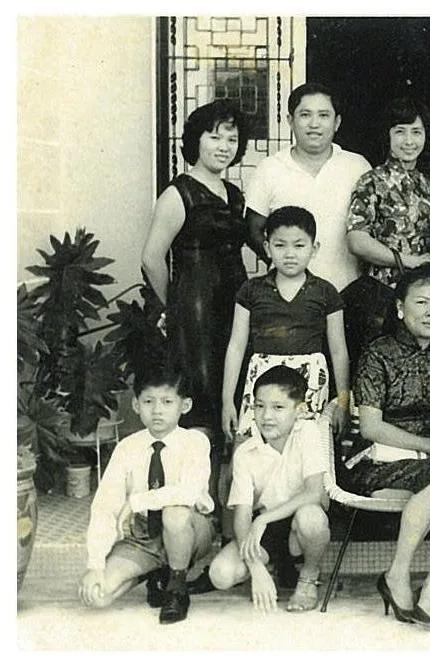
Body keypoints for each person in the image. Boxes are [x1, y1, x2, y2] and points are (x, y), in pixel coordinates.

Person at [339, 263, 430, 631]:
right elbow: (370, 427)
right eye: (422, 302)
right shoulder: (378, 353)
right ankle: (398, 575)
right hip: (378, 461)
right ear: (400, 308)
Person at [140, 99, 250, 511]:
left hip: (234, 305)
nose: (223, 145)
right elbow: (151, 257)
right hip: (198, 310)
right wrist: (176, 307)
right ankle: (194, 510)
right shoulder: (179, 192)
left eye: (232, 139)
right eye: (214, 136)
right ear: (196, 141)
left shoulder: (235, 194)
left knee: (232, 401)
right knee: (203, 403)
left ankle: (227, 516)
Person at [78, 367, 214, 625]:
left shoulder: (195, 441)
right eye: (148, 401)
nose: (157, 410)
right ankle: (154, 571)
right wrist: (95, 565)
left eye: (167, 402)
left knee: (175, 512)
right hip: (143, 536)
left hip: (189, 530)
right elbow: (105, 507)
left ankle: (176, 587)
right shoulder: (126, 447)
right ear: (136, 405)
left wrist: (137, 501)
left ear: (184, 405)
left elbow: (188, 492)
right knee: (97, 596)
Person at [207, 365, 331, 613]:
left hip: (299, 523)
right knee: (221, 575)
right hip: (266, 529)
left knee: (311, 517)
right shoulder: (245, 452)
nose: (267, 416)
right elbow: (242, 517)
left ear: (300, 409)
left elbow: (314, 492)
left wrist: (263, 519)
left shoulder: (308, 432)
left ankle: (308, 577)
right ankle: (271, 568)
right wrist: (255, 569)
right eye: (260, 406)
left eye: (278, 407)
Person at [220, 206, 349, 442]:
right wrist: (227, 400)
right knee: (253, 451)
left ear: (314, 248)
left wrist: (342, 402)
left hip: (310, 384)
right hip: (262, 383)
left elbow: (339, 350)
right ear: (267, 247)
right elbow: (236, 347)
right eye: (280, 245)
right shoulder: (251, 290)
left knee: (306, 453)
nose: (290, 254)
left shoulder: (325, 292)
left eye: (299, 245)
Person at [244, 82, 373, 293]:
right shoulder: (270, 168)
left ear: (337, 122)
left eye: (323, 115)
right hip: (289, 295)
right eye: (305, 115)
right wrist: (285, 265)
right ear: (290, 121)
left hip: (348, 292)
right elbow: (253, 230)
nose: (314, 124)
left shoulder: (357, 166)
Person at [346, 95, 430, 290]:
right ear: (387, 135)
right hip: (384, 290)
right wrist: (408, 261)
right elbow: (357, 241)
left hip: (424, 290)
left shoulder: (429, 185)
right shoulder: (371, 181)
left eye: (416, 132)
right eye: (400, 132)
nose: (409, 141)